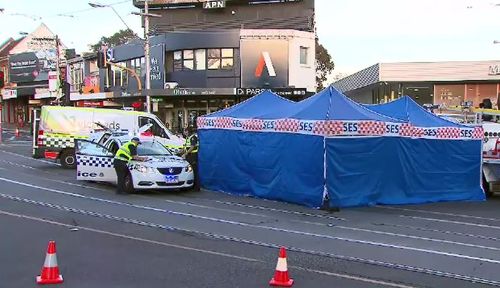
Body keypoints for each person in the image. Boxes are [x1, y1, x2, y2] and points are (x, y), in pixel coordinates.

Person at [182, 126, 199, 191]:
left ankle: (196, 187)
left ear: (188, 131)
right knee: (189, 170)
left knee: (194, 171)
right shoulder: (188, 138)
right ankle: (191, 185)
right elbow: (186, 147)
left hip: (193, 156)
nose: (184, 132)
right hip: (189, 156)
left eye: (185, 131)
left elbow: (192, 147)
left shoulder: (193, 137)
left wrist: (185, 154)